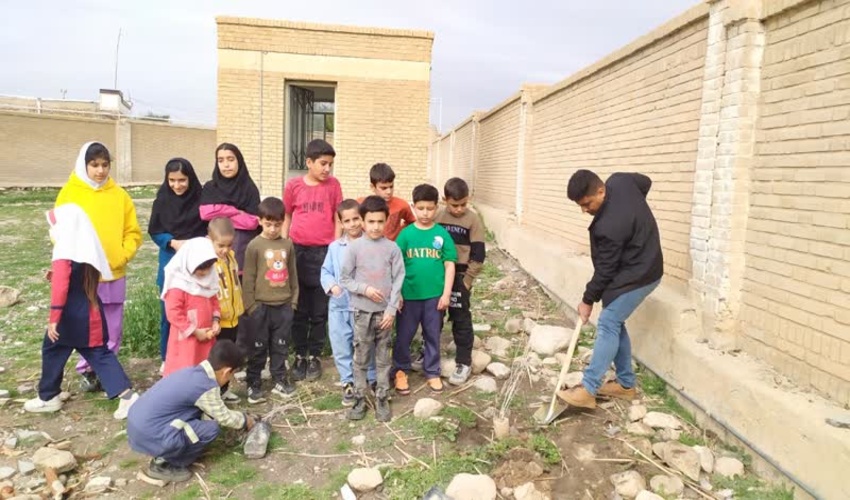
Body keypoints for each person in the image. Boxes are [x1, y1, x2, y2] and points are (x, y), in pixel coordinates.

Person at [558, 170, 663, 409]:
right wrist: (636, 215)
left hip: (642, 274)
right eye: (580, 205)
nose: (584, 210)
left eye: (587, 204)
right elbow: (645, 182)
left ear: (601, 190)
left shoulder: (610, 226)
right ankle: (625, 385)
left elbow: (605, 270)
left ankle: (588, 388)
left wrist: (587, 300)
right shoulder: (621, 181)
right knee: (615, 321)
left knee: (608, 321)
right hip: (635, 265)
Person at [24, 204, 138, 419]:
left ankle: (50, 397)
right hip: (90, 311)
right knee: (70, 350)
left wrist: (54, 318)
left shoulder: (64, 251)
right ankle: (50, 393)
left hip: (70, 316)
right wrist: (55, 276)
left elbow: (61, 288)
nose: (52, 229)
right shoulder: (86, 248)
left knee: (66, 351)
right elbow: (76, 280)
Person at [55, 141, 142, 392]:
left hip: (113, 272)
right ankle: (87, 369)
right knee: (87, 323)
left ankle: (106, 369)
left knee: (112, 325)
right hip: (83, 274)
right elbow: (58, 231)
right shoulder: (70, 194)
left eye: (105, 165)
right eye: (94, 165)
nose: (100, 171)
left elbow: (133, 232)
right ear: (84, 165)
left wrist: (122, 255)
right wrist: (76, 257)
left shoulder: (119, 195)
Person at [127, 340, 255, 484]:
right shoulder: (205, 386)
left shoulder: (192, 372)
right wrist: (245, 420)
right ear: (226, 371)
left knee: (199, 417)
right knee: (211, 429)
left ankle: (165, 450)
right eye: (232, 374)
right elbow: (224, 418)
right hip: (149, 433)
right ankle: (164, 463)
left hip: (138, 426)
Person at [339, 196, 405, 421]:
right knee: (361, 357)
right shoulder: (354, 248)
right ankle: (359, 398)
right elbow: (345, 279)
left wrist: (391, 309)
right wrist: (364, 289)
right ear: (362, 221)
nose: (375, 227)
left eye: (380, 221)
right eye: (371, 222)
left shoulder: (392, 249)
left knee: (383, 357)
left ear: (386, 221)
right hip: (362, 313)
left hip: (384, 315)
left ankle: (382, 397)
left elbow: (398, 279)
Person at [283, 139, 343, 381]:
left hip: (323, 254)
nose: (327, 169)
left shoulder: (333, 185)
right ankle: (299, 355)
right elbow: (287, 215)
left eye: (330, 164)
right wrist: (285, 246)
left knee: (319, 309)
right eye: (323, 163)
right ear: (309, 162)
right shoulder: (293, 186)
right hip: (298, 252)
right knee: (299, 308)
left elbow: (338, 217)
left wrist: (334, 248)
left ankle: (315, 355)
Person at [394, 184, 457, 395]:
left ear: (436, 207)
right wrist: (397, 293)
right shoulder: (405, 235)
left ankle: (432, 371)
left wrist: (446, 293)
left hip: (434, 297)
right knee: (404, 335)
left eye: (430, 208)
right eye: (420, 208)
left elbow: (450, 265)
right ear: (413, 207)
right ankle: (400, 370)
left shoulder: (441, 234)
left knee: (432, 335)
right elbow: (396, 266)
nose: (425, 213)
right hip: (409, 296)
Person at [149, 158, 208, 364]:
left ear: (190, 179)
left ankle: (196, 356)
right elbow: (155, 231)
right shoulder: (161, 201)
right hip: (170, 261)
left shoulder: (201, 200)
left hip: (197, 263)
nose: (177, 185)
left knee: (198, 310)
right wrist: (172, 242)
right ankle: (167, 358)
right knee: (170, 312)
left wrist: (196, 243)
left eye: (182, 180)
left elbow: (209, 227)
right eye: (172, 180)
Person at [320, 199, 377, 406]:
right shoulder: (335, 247)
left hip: (364, 306)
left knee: (366, 342)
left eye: (356, 219)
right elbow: (326, 271)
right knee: (341, 344)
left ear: (362, 219)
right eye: (347, 220)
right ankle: (348, 382)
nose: (352, 224)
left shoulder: (372, 245)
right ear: (341, 223)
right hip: (340, 306)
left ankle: (371, 378)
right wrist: (332, 286)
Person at [242, 197, 299, 404]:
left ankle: (279, 379)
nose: (273, 229)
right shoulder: (254, 246)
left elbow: (292, 274)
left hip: (283, 306)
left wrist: (293, 302)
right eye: (268, 224)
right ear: (260, 221)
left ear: (283, 222)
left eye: (277, 224)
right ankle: (253, 381)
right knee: (258, 346)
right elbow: (248, 277)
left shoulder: (287, 245)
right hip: (260, 307)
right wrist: (251, 306)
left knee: (280, 345)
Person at [435, 177, 486, 386]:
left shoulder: (473, 220)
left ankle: (463, 361)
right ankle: (428, 355)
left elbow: (479, 254)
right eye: (454, 205)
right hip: (437, 275)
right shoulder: (437, 216)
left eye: (463, 204)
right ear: (444, 199)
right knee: (434, 316)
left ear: (469, 198)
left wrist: (467, 281)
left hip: (460, 276)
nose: (459, 209)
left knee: (461, 318)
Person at [161, 238, 221, 378]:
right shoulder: (178, 285)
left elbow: (214, 301)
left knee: (205, 369)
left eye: (208, 268)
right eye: (201, 268)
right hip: (186, 340)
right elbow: (173, 313)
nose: (205, 273)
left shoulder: (209, 282)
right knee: (185, 371)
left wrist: (215, 321)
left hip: (206, 336)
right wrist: (194, 331)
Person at [199, 143, 261, 273]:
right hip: (215, 249)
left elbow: (253, 222)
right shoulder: (211, 187)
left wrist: (219, 215)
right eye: (220, 160)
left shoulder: (249, 188)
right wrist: (235, 211)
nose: (226, 165)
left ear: (239, 161)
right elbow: (205, 213)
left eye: (230, 159)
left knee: (237, 281)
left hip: (241, 249)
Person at [208, 217, 244, 402]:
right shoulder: (209, 263)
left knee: (228, 357)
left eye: (229, 245)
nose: (225, 249)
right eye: (220, 245)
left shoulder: (231, 258)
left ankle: (224, 389)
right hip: (218, 319)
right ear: (210, 240)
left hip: (234, 317)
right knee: (216, 359)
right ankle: (212, 392)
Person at [358, 162, 415, 241]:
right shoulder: (360, 204)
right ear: (372, 187)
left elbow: (412, 222)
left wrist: (400, 232)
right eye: (383, 188)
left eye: (391, 187)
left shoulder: (402, 205)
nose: (389, 191)